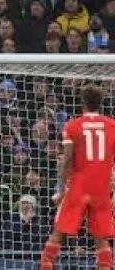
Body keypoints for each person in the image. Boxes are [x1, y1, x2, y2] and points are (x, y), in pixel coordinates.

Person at [39, 86, 115, 270]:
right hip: (101, 187)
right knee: (100, 237)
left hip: (79, 186)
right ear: (100, 103)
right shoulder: (112, 125)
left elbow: (66, 161)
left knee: (59, 232)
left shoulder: (73, 125)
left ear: (82, 103)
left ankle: (46, 265)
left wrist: (60, 190)